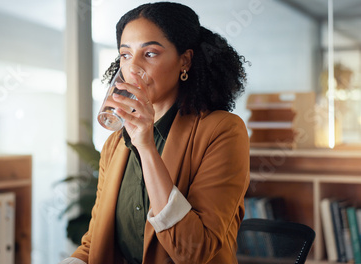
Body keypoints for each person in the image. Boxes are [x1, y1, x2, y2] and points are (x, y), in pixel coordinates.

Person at [61, 2, 249, 263]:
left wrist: (147, 147)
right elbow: (95, 242)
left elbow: (196, 251)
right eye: (125, 55)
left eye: (149, 54)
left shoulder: (223, 131)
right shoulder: (115, 144)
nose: (133, 68)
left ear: (185, 60)